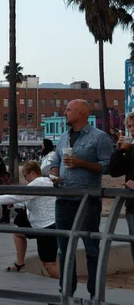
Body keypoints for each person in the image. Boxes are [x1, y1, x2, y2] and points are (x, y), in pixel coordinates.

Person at [49, 99, 112, 299]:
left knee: (91, 246)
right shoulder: (63, 137)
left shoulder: (99, 138)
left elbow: (106, 167)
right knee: (64, 248)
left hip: (87, 201)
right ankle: (66, 291)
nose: (64, 112)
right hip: (63, 198)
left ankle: (95, 293)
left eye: (68, 110)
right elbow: (56, 161)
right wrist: (53, 174)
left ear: (80, 113)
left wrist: (81, 163)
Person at [0, 161, 59, 279]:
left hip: (47, 226)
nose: (25, 179)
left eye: (25, 176)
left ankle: (66, 288)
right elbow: (23, 199)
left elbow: (18, 197)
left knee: (49, 264)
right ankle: (19, 263)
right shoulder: (46, 181)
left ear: (32, 172)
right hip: (43, 222)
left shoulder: (37, 183)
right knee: (19, 232)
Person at [109, 113, 134, 262]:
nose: (132, 130)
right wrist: (119, 150)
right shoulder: (130, 149)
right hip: (132, 206)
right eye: (130, 126)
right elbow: (114, 171)